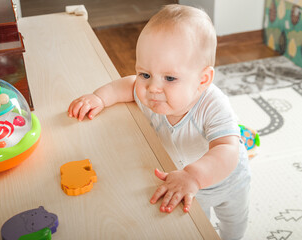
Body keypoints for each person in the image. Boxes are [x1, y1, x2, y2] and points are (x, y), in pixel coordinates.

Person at [68, 4, 250, 240]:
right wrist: (99, 97)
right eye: (146, 74)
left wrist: (194, 176)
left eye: (170, 78)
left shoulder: (214, 106)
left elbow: (227, 150)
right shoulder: (153, 94)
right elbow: (127, 85)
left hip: (226, 182)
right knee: (197, 226)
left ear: (203, 79)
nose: (153, 87)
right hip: (182, 182)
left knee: (234, 222)